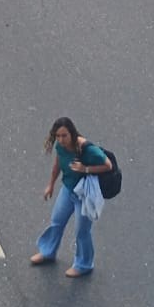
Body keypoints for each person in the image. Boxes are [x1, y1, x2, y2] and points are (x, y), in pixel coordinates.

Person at [30, 116, 112, 278]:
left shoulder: (87, 149)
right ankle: (48, 252)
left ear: (72, 134)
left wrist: (85, 169)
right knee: (57, 221)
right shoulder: (60, 147)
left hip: (84, 195)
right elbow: (58, 164)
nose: (61, 140)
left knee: (82, 231)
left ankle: (84, 264)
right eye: (58, 136)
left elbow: (108, 165)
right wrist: (51, 185)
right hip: (68, 190)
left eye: (64, 136)